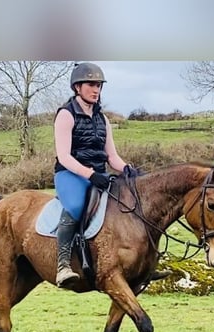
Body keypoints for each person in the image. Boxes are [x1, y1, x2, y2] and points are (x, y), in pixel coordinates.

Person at [53, 62, 131, 288]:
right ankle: (63, 265)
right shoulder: (66, 116)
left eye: (98, 85)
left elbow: (112, 156)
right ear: (77, 87)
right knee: (76, 206)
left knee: (125, 203)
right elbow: (64, 156)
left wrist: (127, 169)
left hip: (99, 174)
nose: (96, 89)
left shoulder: (102, 119)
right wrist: (90, 174)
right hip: (70, 175)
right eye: (91, 84)